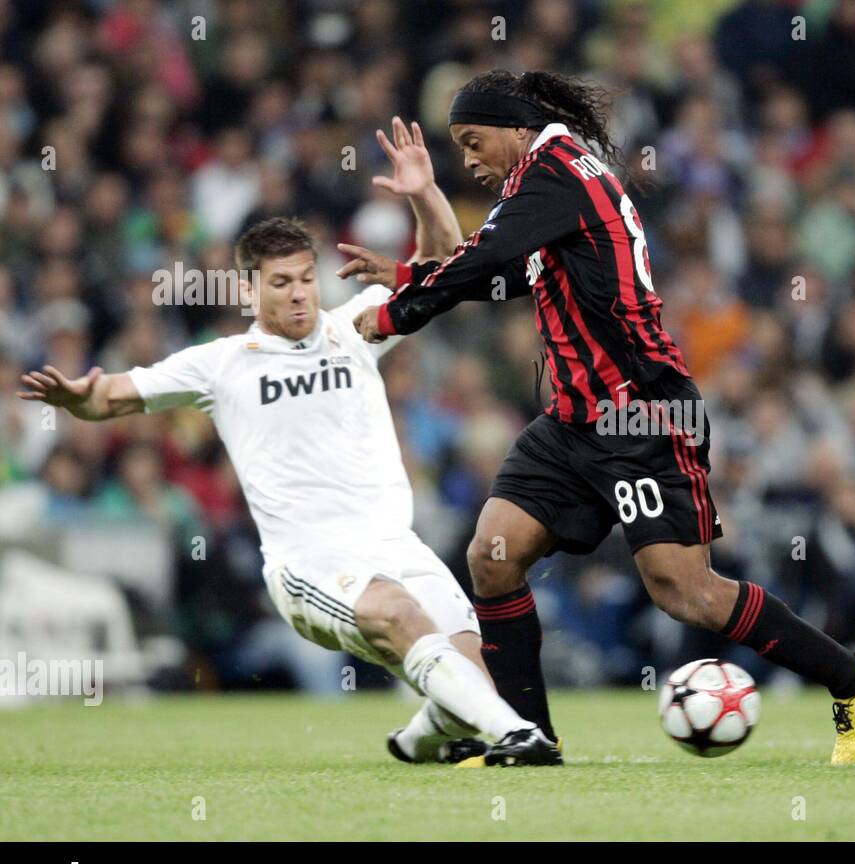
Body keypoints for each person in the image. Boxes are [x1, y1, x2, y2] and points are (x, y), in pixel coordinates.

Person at [338, 71, 855, 765]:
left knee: (685, 593)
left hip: (642, 414)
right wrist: (407, 278)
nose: (470, 160)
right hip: (573, 419)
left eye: (474, 142)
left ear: (516, 129)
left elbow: (490, 257)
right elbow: (514, 274)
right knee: (493, 555)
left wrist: (399, 312)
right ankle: (529, 736)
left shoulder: (556, 170)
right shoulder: (547, 180)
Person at [19, 178, 554, 766]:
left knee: (466, 675)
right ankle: (517, 735)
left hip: (396, 546)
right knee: (402, 619)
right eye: (281, 283)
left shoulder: (353, 329)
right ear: (251, 290)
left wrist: (425, 191)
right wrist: (80, 397)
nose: (300, 294)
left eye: (305, 278)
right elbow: (116, 396)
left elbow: (439, 269)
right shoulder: (220, 364)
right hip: (312, 562)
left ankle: (419, 740)